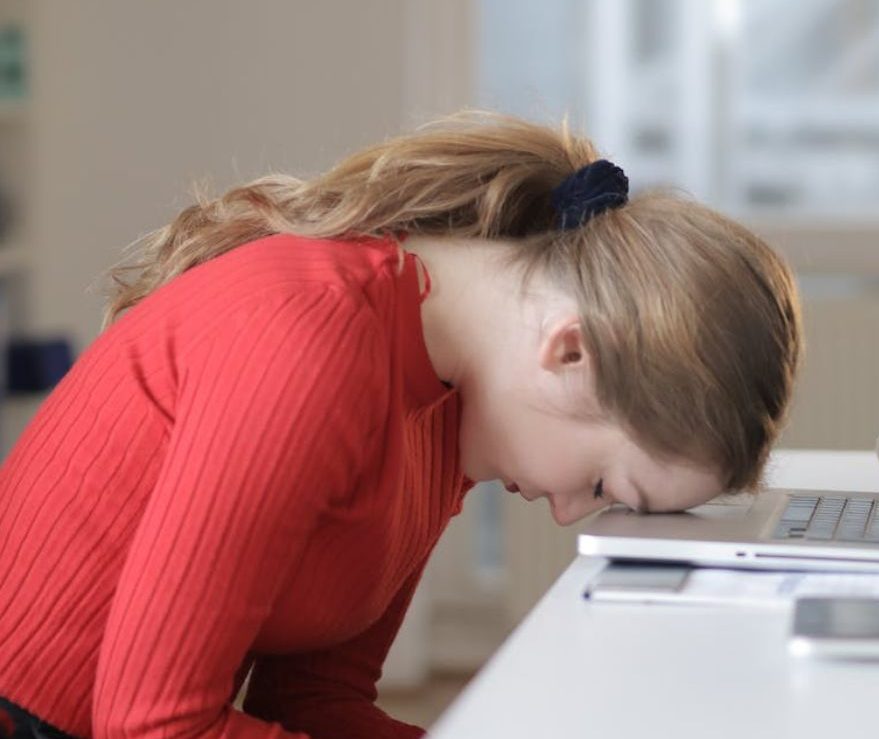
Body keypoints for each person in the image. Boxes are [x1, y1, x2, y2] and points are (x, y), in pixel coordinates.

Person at [0, 112, 801, 739]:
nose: (565, 509)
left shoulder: (450, 406)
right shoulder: (309, 343)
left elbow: (316, 697)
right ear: (572, 351)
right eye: (600, 484)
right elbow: (153, 725)